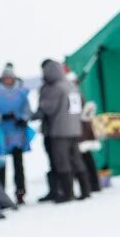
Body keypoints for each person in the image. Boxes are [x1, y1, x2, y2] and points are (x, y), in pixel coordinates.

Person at [36, 58, 89, 203]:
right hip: (74, 128)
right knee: (77, 160)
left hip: (59, 130)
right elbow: (82, 104)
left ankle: (67, 193)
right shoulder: (71, 86)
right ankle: (85, 189)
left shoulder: (55, 87)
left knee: (62, 161)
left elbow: (48, 109)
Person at [0, 65, 33, 205]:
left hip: (18, 133)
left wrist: (23, 119)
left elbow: (27, 109)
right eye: (5, 78)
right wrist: (2, 116)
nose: (8, 80)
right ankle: (0, 194)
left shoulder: (21, 92)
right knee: (1, 165)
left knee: (18, 164)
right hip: (2, 133)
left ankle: (20, 192)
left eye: (10, 78)